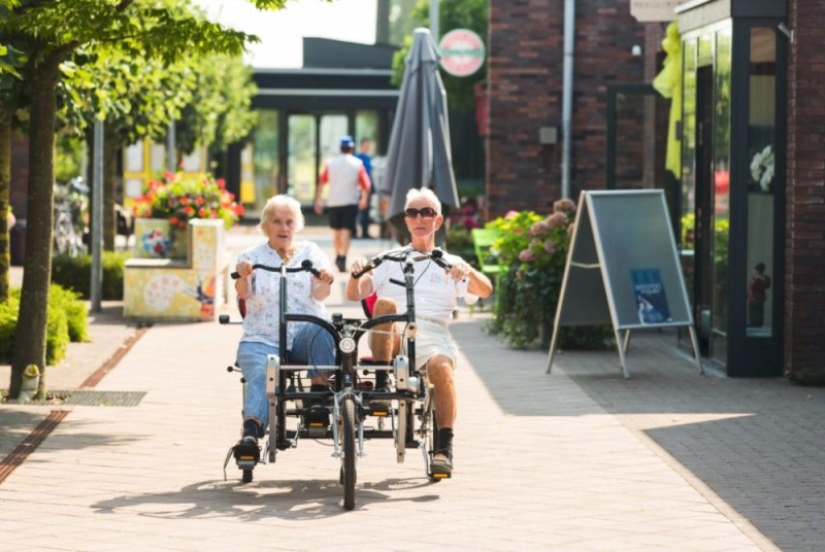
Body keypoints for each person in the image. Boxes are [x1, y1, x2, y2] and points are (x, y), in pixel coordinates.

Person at [345, 188, 493, 477]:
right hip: (394, 330)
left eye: (426, 212)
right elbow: (355, 294)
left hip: (432, 331)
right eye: (412, 212)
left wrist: (468, 272)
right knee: (386, 303)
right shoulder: (389, 259)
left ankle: (444, 448)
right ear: (406, 221)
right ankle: (380, 384)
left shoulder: (449, 262)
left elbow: (486, 290)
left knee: (441, 366)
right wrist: (355, 274)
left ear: (438, 221)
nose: (419, 218)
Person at [233, 195, 337, 456]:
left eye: (289, 222)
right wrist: (244, 276)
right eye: (277, 222)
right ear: (265, 226)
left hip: (303, 334)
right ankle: (251, 432)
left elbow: (321, 294)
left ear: (297, 225)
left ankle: (316, 400)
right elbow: (243, 293)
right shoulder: (251, 256)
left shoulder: (310, 252)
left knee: (322, 329)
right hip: (262, 337)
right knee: (261, 372)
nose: (283, 228)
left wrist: (325, 280)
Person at [314, 135, 370, 272]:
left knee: (336, 231)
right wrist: (364, 199)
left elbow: (321, 181)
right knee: (346, 230)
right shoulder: (357, 164)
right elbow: (366, 184)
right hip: (350, 201)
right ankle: (342, 256)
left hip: (334, 201)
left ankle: (338, 254)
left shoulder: (330, 163)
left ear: (340, 148)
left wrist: (318, 200)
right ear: (351, 148)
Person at [353, 137, 374, 239]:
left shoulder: (369, 158)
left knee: (366, 211)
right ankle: (354, 232)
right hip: (358, 187)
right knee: (356, 210)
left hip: (367, 187)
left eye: (368, 144)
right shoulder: (357, 157)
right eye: (366, 144)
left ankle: (365, 232)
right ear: (362, 145)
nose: (368, 146)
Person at [747, 262, 771, 327]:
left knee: (757, 312)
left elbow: (766, 285)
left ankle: (757, 324)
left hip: (758, 298)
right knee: (753, 313)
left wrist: (759, 278)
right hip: (753, 298)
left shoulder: (761, 278)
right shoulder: (755, 277)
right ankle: (754, 323)